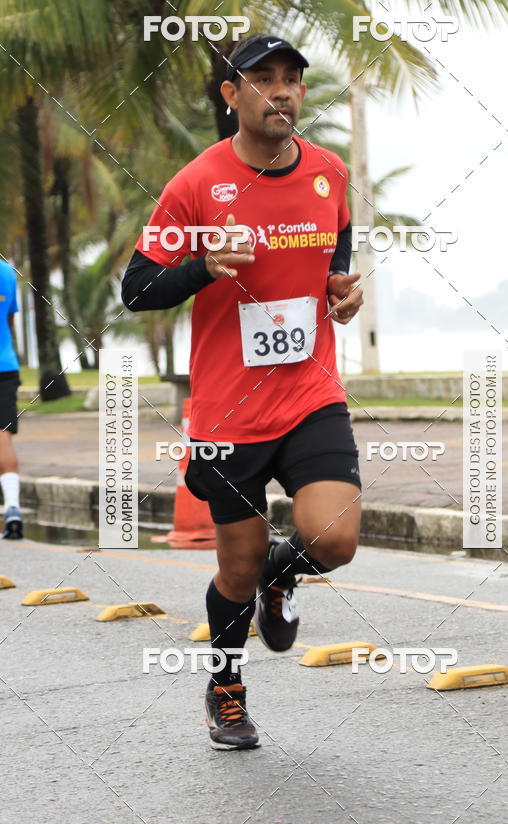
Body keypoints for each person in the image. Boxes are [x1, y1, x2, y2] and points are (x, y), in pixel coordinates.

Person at [122, 34, 364, 750]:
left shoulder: (329, 173)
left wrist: (338, 291)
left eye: (292, 79)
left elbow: (336, 249)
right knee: (235, 568)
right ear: (232, 96)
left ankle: (281, 576)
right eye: (263, 80)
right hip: (229, 412)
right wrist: (203, 265)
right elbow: (137, 288)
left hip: (312, 393)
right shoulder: (196, 184)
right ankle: (226, 689)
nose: (283, 91)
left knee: (338, 538)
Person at [0, 259, 23, 540]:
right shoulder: (6, 271)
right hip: (6, 365)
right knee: (3, 436)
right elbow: (9, 320)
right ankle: (14, 507)